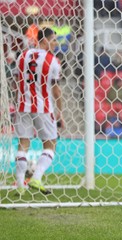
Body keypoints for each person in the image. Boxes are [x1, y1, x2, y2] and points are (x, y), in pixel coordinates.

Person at [14, 28, 63, 196]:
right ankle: (36, 177)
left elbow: (16, 81)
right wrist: (60, 111)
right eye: (54, 40)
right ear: (44, 41)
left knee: (23, 143)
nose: (56, 44)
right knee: (50, 144)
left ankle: (20, 185)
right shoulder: (53, 61)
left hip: (22, 105)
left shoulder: (22, 56)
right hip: (43, 107)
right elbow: (56, 91)